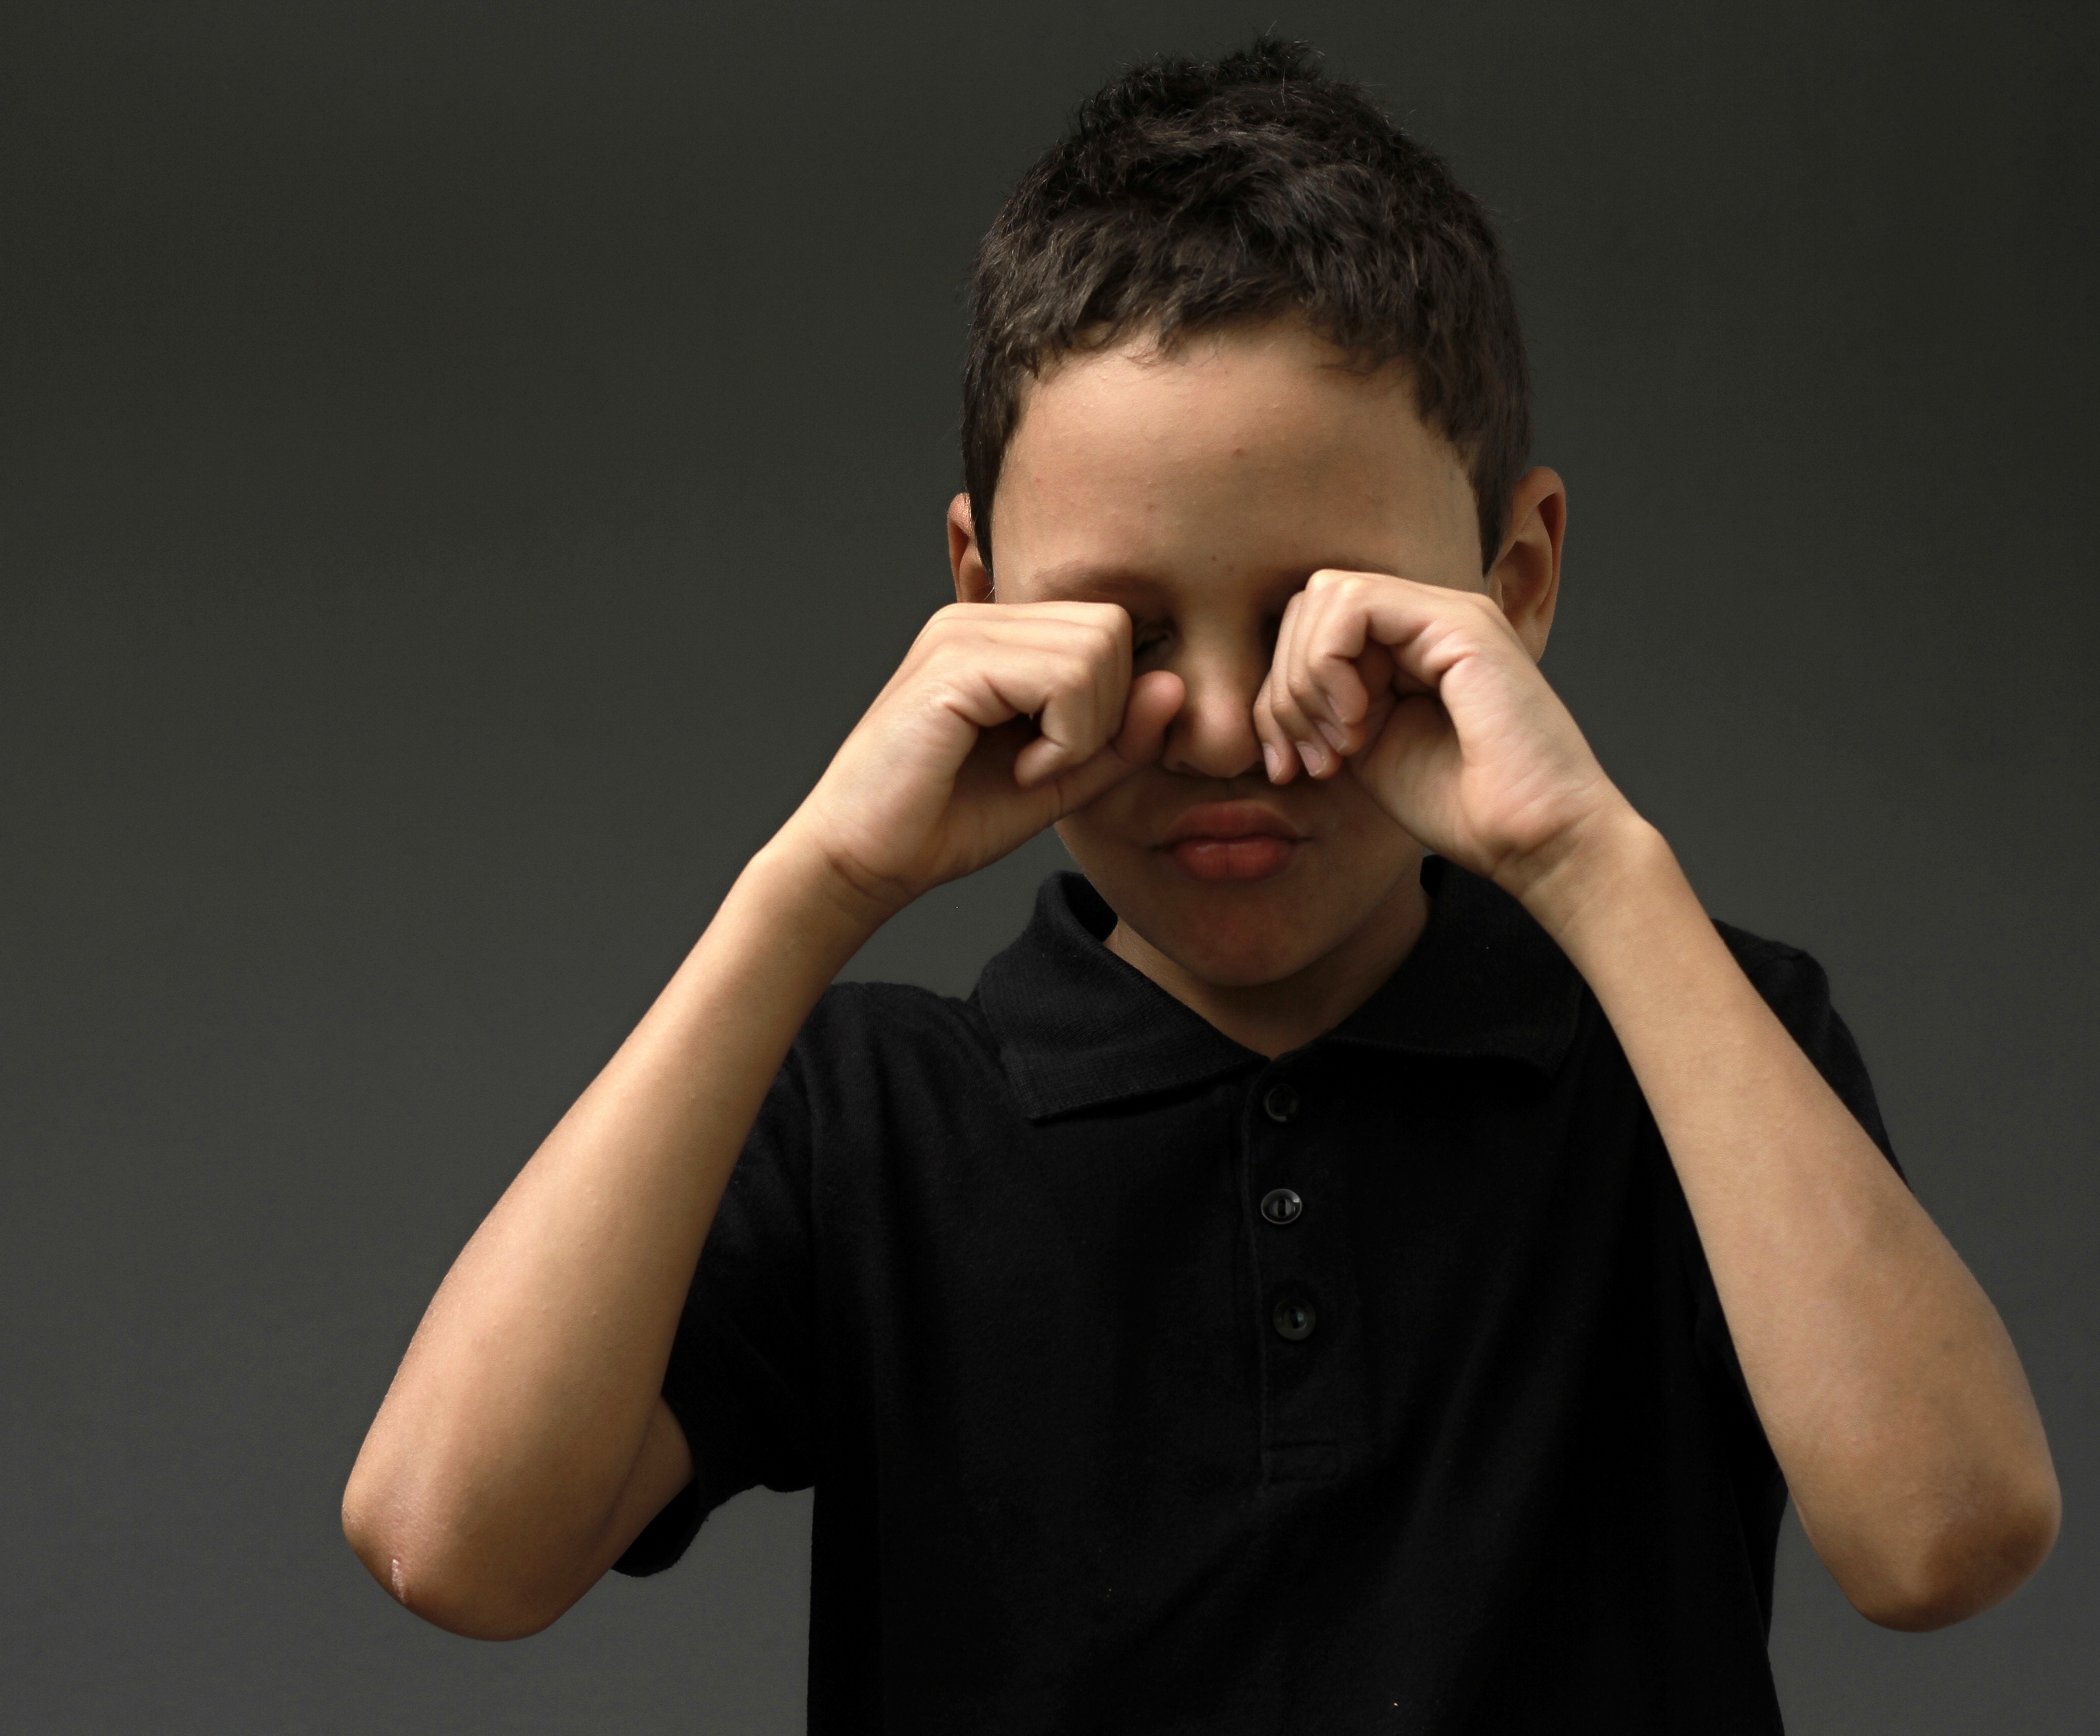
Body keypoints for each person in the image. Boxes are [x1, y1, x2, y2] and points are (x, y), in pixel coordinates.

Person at [341, 38, 2058, 1731]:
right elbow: (450, 1542)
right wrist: (808, 886)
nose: (1232, 729)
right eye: (1133, 628)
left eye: (1331, 608)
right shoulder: (870, 1120)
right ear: (981, 594)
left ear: (1513, 579)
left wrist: (1593, 867)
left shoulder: (1701, 1042)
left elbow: (1950, 1540)